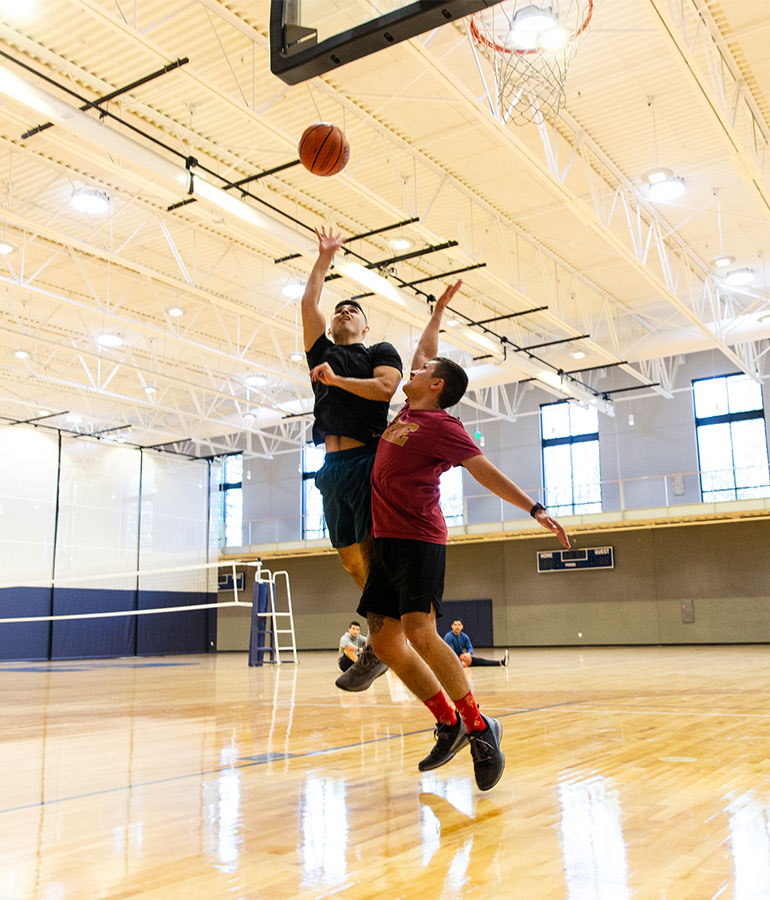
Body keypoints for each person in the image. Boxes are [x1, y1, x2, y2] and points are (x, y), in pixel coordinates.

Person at [358, 280, 570, 791]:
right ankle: (448, 722)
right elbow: (427, 351)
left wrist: (533, 507)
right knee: (385, 643)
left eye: (423, 372)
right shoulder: (409, 411)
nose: (415, 368)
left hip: (419, 540)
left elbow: (484, 470)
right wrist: (437, 314)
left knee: (419, 631)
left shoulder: (445, 427)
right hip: (386, 539)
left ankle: (478, 727)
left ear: (437, 387)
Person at [302, 226, 403, 692]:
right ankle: (382, 641)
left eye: (354, 310)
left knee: (371, 555)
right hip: (330, 470)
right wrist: (324, 258)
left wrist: (336, 381)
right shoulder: (320, 351)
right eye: (340, 307)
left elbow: (386, 389)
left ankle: (380, 646)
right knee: (351, 563)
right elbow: (309, 306)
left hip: (368, 462)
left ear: (365, 328)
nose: (345, 310)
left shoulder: (379, 352)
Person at [444, 619, 509, 668]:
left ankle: (501, 662)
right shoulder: (448, 637)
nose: (457, 627)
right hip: (450, 659)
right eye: (455, 625)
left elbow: (470, 647)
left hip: (461, 657)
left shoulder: (464, 636)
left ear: (462, 627)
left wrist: (469, 654)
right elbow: (451, 653)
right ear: (452, 626)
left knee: (480, 661)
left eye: (459, 625)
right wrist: (460, 662)